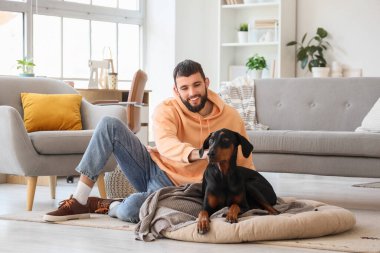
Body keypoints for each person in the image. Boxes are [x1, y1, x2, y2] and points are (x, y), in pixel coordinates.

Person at [43, 59, 255, 223]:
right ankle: (79, 201)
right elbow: (166, 145)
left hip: (183, 190)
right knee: (109, 124)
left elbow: (244, 163)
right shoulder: (166, 109)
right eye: (184, 88)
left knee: (131, 209)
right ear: (176, 90)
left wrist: (248, 194)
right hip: (153, 169)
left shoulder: (231, 117)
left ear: (206, 83)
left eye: (197, 85)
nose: (192, 93)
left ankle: (112, 205)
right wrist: (200, 153)